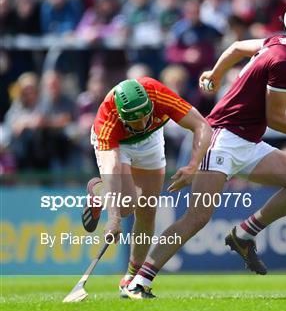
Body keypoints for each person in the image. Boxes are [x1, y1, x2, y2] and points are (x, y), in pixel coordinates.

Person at [125, 3, 286, 299]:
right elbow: (277, 119)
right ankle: (139, 282)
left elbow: (236, 47)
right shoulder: (284, 60)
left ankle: (243, 234)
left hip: (248, 142)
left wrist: (216, 73)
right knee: (197, 217)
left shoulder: (278, 43)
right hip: (221, 139)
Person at [82, 76, 212, 298]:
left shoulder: (158, 94)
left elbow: (202, 126)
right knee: (126, 209)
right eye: (135, 121)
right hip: (119, 145)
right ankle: (98, 190)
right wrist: (113, 219)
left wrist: (192, 166)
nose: (142, 125)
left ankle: (130, 278)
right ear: (123, 117)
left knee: (147, 210)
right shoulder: (107, 120)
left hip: (151, 142)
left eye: (145, 117)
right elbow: (111, 167)